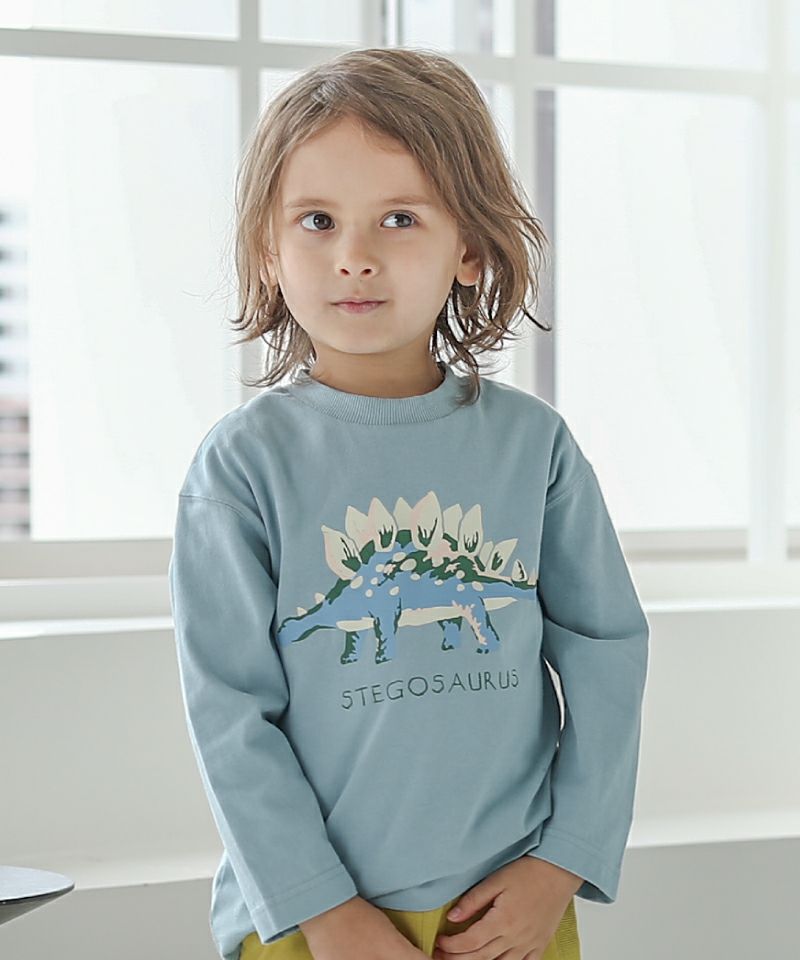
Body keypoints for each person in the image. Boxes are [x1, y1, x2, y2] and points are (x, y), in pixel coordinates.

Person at [168, 46, 649, 960]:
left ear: (468, 248)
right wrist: (325, 912)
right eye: (317, 221)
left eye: (398, 218)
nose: (354, 258)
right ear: (270, 251)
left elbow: (608, 657)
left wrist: (563, 863)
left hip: (507, 911)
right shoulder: (241, 467)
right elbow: (228, 716)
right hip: (311, 921)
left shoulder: (534, 447)